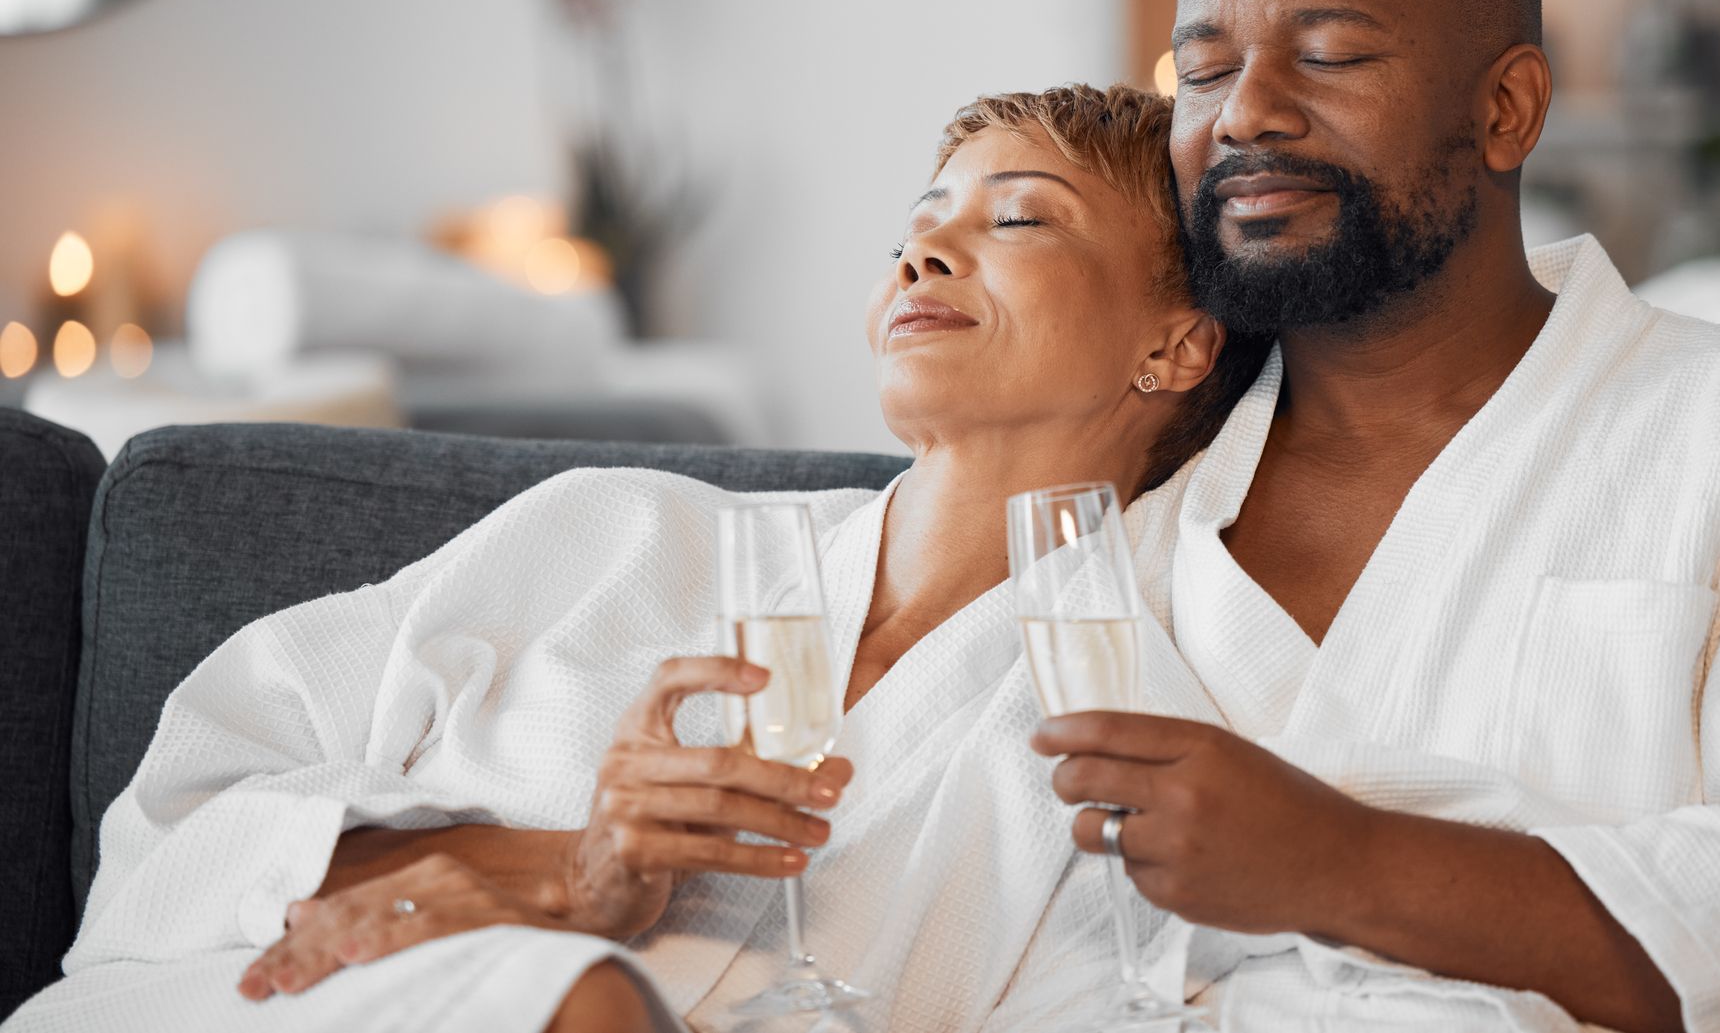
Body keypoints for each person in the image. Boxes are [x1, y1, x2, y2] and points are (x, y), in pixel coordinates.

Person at [5, 85, 1259, 1033]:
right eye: (915, 230)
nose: (922, 256)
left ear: (1177, 345)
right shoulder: (611, 534)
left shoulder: (1137, 719)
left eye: (1020, 217)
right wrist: (561, 872)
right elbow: (179, 818)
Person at [1033, 0, 1720, 1032]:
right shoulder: (1135, 476)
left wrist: (1344, 866)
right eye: (1201, 71)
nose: (1244, 112)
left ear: (1506, 110)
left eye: (1329, 55)